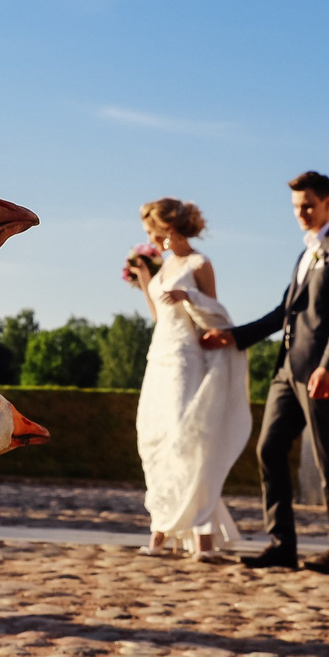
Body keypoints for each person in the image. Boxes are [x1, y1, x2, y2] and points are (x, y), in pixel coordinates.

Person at [200, 170, 329, 574]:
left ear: (328, 201)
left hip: (321, 372)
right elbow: (282, 314)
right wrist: (233, 336)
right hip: (287, 371)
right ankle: (282, 545)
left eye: (308, 205)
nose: (301, 213)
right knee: (269, 449)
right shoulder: (305, 253)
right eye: (296, 207)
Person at [125, 198, 249, 559]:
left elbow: (216, 313)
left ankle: (202, 535)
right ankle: (161, 529)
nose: (149, 236)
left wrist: (189, 295)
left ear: (168, 227)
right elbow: (158, 316)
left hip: (185, 357)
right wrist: (146, 279)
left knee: (186, 436)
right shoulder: (164, 265)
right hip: (159, 356)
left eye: (152, 229)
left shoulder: (199, 263)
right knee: (155, 437)